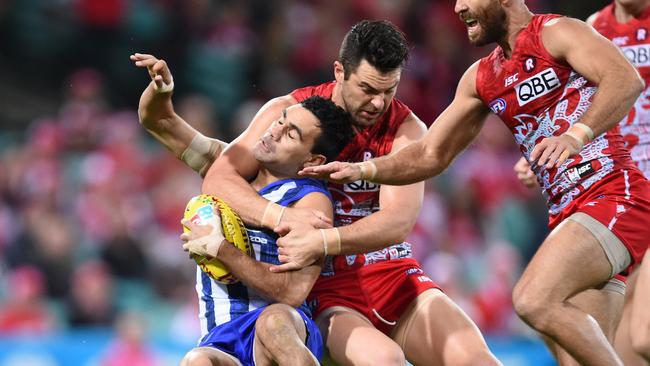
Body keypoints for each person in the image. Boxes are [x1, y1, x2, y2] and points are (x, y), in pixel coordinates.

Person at [299, 2, 650, 366]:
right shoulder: (482, 77)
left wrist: (574, 137)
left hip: (615, 194)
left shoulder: (558, 33)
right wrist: (363, 171)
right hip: (570, 214)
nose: (459, 7)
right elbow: (430, 155)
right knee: (575, 353)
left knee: (533, 298)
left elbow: (625, 79)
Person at [132, 20, 500, 366]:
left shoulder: (404, 129)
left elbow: (397, 222)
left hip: (393, 273)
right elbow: (217, 173)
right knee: (384, 361)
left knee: (478, 360)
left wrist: (322, 240)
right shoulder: (288, 115)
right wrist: (282, 217)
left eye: (389, 91)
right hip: (327, 291)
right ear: (339, 71)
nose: (378, 103)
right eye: (368, 89)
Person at [513, 1, 650, 364]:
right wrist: (548, 152)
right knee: (596, 343)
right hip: (616, 189)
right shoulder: (595, 26)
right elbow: (576, 105)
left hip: (636, 198)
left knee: (645, 335)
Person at [176, 95, 355, 366]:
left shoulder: (308, 201)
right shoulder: (228, 177)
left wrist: (221, 249)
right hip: (222, 338)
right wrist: (160, 99)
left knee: (271, 323)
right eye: (279, 121)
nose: (273, 132)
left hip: (281, 330)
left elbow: (291, 293)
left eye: (290, 134)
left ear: (313, 160)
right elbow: (165, 126)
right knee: (196, 361)